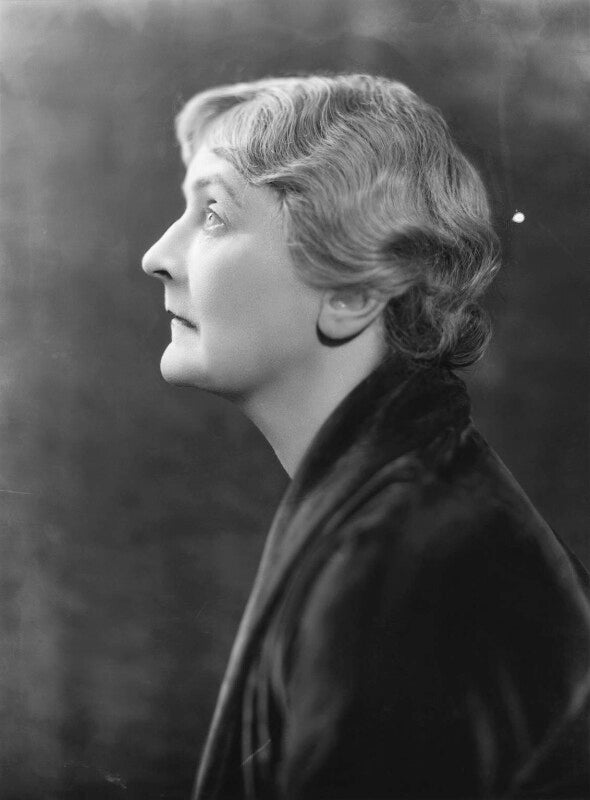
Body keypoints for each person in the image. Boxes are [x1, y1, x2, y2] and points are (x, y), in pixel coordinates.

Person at [142, 74, 590, 800]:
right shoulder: (415, 507)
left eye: (214, 214)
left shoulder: (403, 571)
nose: (158, 254)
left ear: (354, 292)